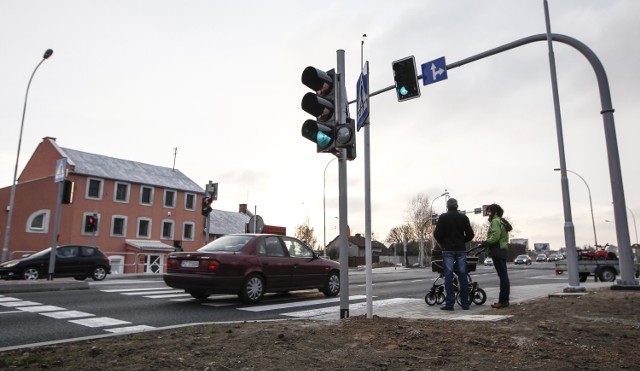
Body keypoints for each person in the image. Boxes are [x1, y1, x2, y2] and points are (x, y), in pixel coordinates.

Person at [433, 198, 475, 310]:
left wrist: (443, 242)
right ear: (457, 206)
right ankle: (465, 303)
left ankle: (450, 303)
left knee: (448, 275)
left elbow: (437, 234)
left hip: (447, 249)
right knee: (463, 275)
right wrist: (462, 240)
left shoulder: (443, 218)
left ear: (447, 206)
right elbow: (471, 234)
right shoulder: (464, 217)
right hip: (461, 249)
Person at [481, 203, 510, 309]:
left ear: (494, 212)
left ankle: (503, 301)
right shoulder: (501, 221)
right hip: (503, 249)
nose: (487, 213)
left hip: (497, 250)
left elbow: (495, 235)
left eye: (489, 211)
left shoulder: (495, 221)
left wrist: (486, 243)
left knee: (503, 276)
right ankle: (504, 300)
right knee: (504, 276)